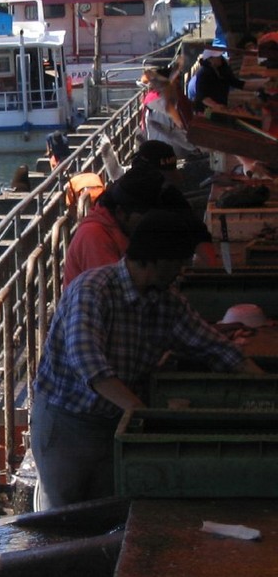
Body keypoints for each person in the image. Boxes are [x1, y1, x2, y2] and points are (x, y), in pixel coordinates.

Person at [31, 210, 264, 509]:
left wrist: (262, 386)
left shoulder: (167, 302)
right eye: (179, 262)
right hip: (67, 423)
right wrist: (146, 414)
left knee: (106, 511)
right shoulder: (93, 290)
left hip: (116, 421)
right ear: (158, 260)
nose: (182, 270)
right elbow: (90, 366)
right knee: (61, 514)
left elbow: (216, 348)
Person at [62, 166, 165, 287]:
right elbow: (113, 289)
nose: (147, 223)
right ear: (121, 212)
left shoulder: (118, 228)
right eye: (143, 216)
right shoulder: (94, 236)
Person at [130, 140, 220, 268]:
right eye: (163, 178)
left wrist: (211, 266)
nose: (166, 184)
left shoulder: (168, 194)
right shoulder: (125, 206)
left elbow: (196, 229)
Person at [191, 48, 269, 114]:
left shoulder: (223, 70)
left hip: (221, 108)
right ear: (210, 59)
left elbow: (239, 84)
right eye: (217, 57)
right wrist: (216, 106)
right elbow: (202, 97)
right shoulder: (203, 73)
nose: (220, 58)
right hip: (206, 110)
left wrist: (265, 84)